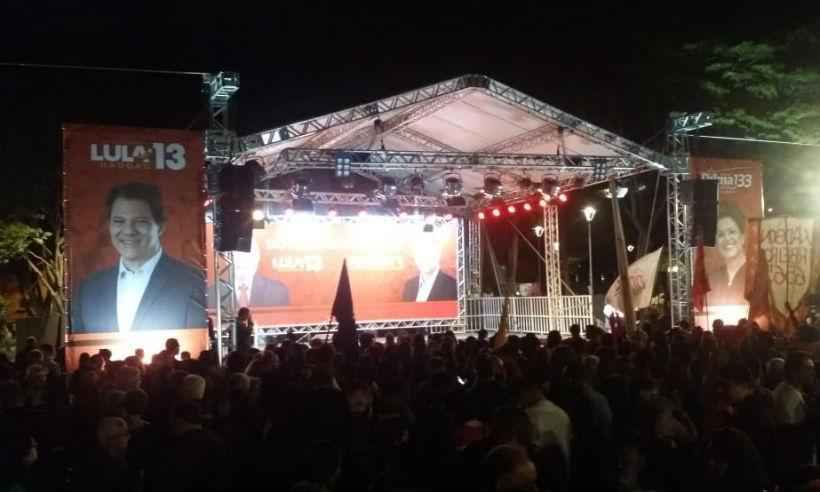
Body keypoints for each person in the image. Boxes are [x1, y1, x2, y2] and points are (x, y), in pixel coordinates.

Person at [71, 182, 206, 333]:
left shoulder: (191, 282)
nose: (128, 231)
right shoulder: (89, 288)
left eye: (140, 221)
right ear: (109, 225)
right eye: (119, 221)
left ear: (160, 227)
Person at [208, 235, 290, 308]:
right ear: (227, 261)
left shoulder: (277, 291)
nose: (243, 261)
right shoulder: (212, 294)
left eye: (248, 256)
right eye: (238, 256)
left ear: (257, 259)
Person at [707, 203, 747, 306]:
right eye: (721, 235)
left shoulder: (755, 274)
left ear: (743, 237)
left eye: (732, 232)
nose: (727, 239)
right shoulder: (712, 279)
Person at [402, 227, 457, 302]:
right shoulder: (409, 285)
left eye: (428, 252)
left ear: (438, 253)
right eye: (420, 253)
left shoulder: (453, 286)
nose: (424, 257)